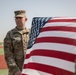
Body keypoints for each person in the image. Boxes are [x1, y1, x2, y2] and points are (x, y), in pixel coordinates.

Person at [4, 10, 30, 75]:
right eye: (16, 18)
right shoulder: (10, 34)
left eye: (20, 18)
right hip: (16, 72)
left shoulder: (31, 33)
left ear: (26, 19)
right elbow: (8, 54)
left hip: (29, 70)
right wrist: (15, 70)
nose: (18, 20)